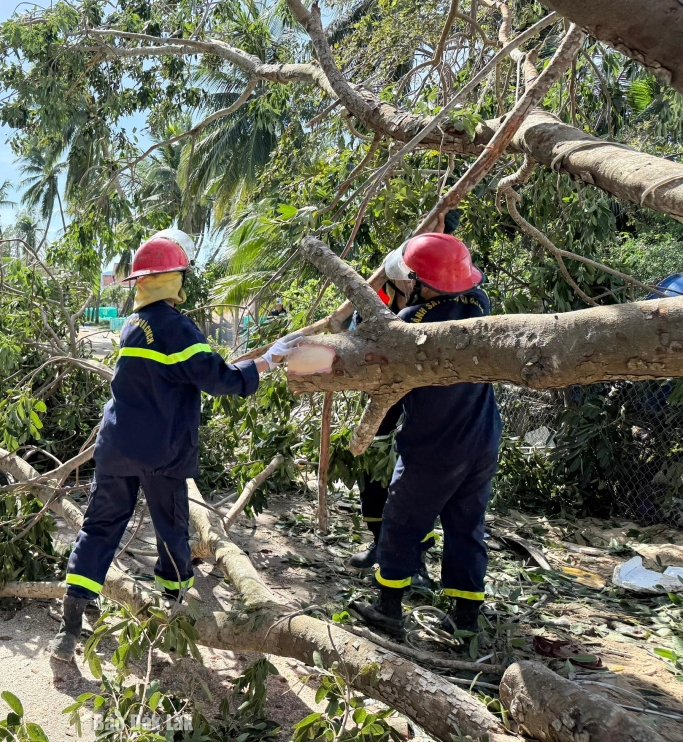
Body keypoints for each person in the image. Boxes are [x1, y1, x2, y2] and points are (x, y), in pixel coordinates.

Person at [50, 235, 302, 661]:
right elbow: (220, 380)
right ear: (173, 279)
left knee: (99, 528)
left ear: (141, 283)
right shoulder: (177, 327)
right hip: (161, 452)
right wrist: (268, 361)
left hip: (116, 446)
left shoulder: (133, 325)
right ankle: (172, 611)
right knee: (171, 531)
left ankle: (69, 628)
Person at [349, 233, 502, 638]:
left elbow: (371, 356)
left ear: (423, 283)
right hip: (482, 438)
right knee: (466, 526)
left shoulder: (407, 325)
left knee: (400, 522)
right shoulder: (479, 304)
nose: (401, 285)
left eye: (407, 280)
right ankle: (466, 619)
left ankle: (388, 608)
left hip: (435, 444)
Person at [346, 286, 435, 589]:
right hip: (380, 405)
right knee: (372, 481)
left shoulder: (431, 308)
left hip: (418, 409)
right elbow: (354, 341)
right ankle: (379, 544)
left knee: (413, 488)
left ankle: (417, 561)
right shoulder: (376, 300)